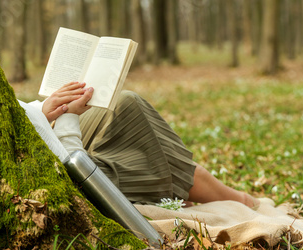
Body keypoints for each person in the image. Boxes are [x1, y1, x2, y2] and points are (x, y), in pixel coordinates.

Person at [23, 81, 259, 209]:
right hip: (55, 168)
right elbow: (71, 161)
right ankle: (221, 195)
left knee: (125, 103)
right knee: (136, 145)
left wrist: (43, 110)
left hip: (42, 126)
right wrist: (67, 116)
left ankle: (174, 186)